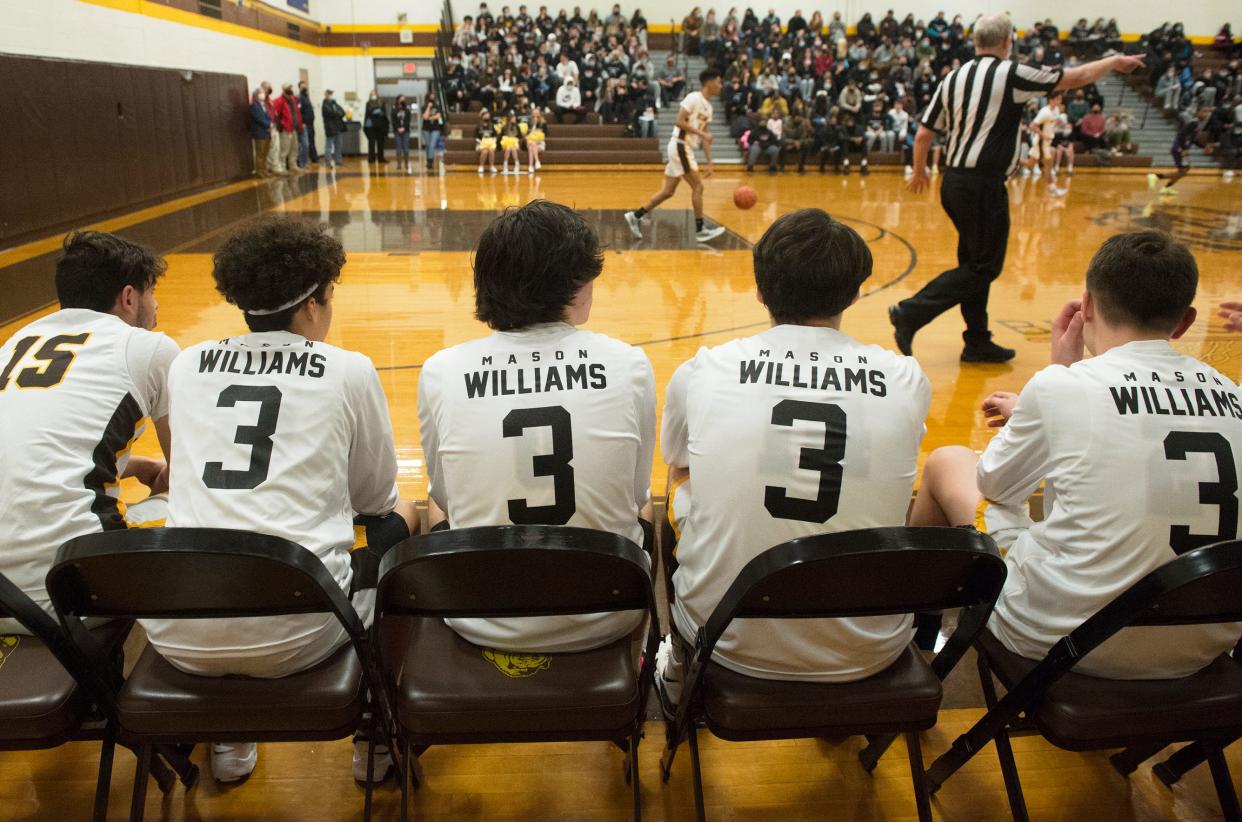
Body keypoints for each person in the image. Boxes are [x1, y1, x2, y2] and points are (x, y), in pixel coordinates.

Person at [140, 216, 419, 783]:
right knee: (402, 522)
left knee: (225, 554)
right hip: (300, 628)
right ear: (314, 303)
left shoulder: (187, 364)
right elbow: (374, 499)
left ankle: (228, 738)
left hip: (178, 626)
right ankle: (374, 740)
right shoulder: (348, 370)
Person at [910, 231, 1242, 679]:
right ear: (1184, 323)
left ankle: (914, 644)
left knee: (949, 461)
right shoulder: (1233, 395)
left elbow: (996, 486)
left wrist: (1054, 378)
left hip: (1067, 640)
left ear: (1086, 307)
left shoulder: (1063, 387)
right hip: (1202, 642)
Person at [656, 209, 931, 705]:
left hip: (727, 639)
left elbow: (676, 457)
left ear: (760, 291)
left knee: (681, 475)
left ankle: (678, 668)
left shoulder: (704, 370)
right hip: (871, 648)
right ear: (854, 293)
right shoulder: (905, 379)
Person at [418, 200, 656, 653]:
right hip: (607, 613)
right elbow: (637, 494)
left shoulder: (441, 370)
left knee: (432, 501)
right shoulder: (629, 364)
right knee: (645, 510)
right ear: (577, 285)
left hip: (477, 616)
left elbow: (446, 498)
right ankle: (655, 656)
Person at [893, 14, 1144, 363]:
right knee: (984, 267)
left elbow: (923, 133)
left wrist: (920, 172)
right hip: (983, 184)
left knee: (974, 262)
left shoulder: (953, 76)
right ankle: (910, 312)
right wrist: (1114, 61)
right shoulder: (1011, 73)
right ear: (1007, 42)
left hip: (953, 182)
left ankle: (977, 341)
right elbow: (1077, 76)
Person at [0, 231, 178, 633]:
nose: (157, 305)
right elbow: (190, 473)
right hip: (65, 593)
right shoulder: (148, 348)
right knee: (189, 506)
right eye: (152, 293)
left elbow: (33, 445)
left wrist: (131, 466)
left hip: (3, 594)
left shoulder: (18, 340)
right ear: (129, 297)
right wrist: (164, 480)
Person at [624, 69, 728, 244]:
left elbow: (706, 137)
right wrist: (701, 134)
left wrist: (710, 162)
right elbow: (679, 121)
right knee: (698, 187)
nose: (720, 86)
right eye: (719, 82)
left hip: (685, 148)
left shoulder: (708, 108)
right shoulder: (693, 98)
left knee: (668, 192)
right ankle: (700, 229)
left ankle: (635, 216)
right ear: (709, 82)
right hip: (680, 146)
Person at [1148, 106, 1213, 196]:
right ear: (1198, 112)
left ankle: (1166, 187)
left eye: (1208, 112)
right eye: (1204, 111)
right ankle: (1156, 177)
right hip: (1179, 148)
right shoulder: (1193, 123)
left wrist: (1204, 146)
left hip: (1181, 148)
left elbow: (1193, 139)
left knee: (1184, 171)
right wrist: (1184, 148)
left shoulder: (1198, 124)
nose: (1206, 114)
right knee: (1183, 170)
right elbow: (1181, 135)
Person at [271, 84, 304, 175]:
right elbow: (275, 114)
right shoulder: (279, 101)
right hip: (286, 129)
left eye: (291, 87)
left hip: (293, 128)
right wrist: (281, 124)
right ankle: (282, 166)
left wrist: (300, 125)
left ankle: (293, 166)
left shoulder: (293, 100)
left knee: (294, 148)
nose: (290, 89)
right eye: (288, 88)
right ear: (284, 89)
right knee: (284, 149)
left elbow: (297, 113)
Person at [249, 88, 272, 178]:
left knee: (265, 153)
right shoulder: (254, 105)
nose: (263, 94)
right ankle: (259, 172)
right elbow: (258, 118)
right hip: (259, 132)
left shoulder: (264, 105)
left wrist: (270, 124)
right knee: (260, 153)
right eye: (261, 93)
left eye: (263, 93)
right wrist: (268, 125)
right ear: (257, 95)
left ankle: (264, 170)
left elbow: (268, 117)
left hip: (267, 132)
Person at [321, 89, 346, 169]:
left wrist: (338, 113)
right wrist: (338, 113)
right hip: (330, 128)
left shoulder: (334, 103)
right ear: (326, 95)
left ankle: (338, 161)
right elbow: (332, 113)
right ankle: (328, 161)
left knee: (339, 145)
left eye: (332, 94)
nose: (331, 95)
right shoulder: (325, 105)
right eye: (329, 94)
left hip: (338, 127)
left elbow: (343, 112)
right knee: (329, 145)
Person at [363, 92, 388, 166]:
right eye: (372, 94)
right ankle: (371, 158)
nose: (373, 96)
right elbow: (370, 112)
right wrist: (377, 111)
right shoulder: (368, 103)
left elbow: (383, 113)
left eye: (374, 94)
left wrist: (377, 111)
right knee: (371, 142)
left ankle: (381, 158)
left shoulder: (381, 103)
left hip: (380, 126)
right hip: (370, 126)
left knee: (380, 142)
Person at [421, 96, 445, 171]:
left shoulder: (437, 106)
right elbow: (425, 117)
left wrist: (430, 118)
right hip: (426, 129)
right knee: (428, 145)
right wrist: (428, 107)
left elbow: (438, 116)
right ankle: (429, 160)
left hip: (435, 128)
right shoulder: (424, 107)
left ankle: (430, 161)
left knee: (432, 145)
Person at [297, 81, 317, 167]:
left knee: (311, 141)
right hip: (305, 124)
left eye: (305, 86)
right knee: (305, 143)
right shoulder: (300, 97)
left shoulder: (307, 97)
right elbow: (300, 111)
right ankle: (302, 161)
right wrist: (302, 122)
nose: (304, 88)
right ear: (300, 88)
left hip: (310, 123)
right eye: (302, 86)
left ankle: (313, 158)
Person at [392, 94, 413, 172]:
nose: (403, 100)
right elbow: (393, 119)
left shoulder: (407, 109)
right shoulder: (394, 109)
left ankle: (406, 163)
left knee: (406, 147)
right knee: (398, 147)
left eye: (404, 99)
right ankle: (399, 164)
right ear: (398, 99)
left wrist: (404, 127)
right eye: (401, 99)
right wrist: (398, 128)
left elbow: (408, 119)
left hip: (406, 131)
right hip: (397, 131)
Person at [523, 107, 548, 173]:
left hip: (540, 143)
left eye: (537, 113)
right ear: (532, 114)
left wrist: (538, 140)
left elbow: (546, 134)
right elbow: (527, 134)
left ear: (539, 114)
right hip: (530, 142)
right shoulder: (529, 122)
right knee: (532, 144)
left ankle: (530, 166)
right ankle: (537, 161)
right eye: (534, 113)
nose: (536, 115)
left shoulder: (543, 123)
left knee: (531, 148)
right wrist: (534, 125)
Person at [475, 109, 499, 174]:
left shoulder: (491, 126)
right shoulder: (479, 126)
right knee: (485, 151)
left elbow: (495, 136)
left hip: (490, 144)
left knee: (491, 151)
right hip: (481, 144)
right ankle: (481, 166)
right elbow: (477, 137)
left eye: (488, 116)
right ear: (482, 116)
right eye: (485, 115)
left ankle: (492, 166)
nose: (487, 117)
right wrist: (479, 144)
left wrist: (493, 141)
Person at [499, 110, 522, 174]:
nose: (515, 119)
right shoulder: (504, 127)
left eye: (515, 118)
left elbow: (520, 137)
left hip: (515, 144)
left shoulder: (517, 127)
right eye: (513, 118)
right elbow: (500, 137)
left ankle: (517, 164)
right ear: (509, 119)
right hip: (506, 144)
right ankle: (505, 165)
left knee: (513, 149)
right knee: (509, 148)